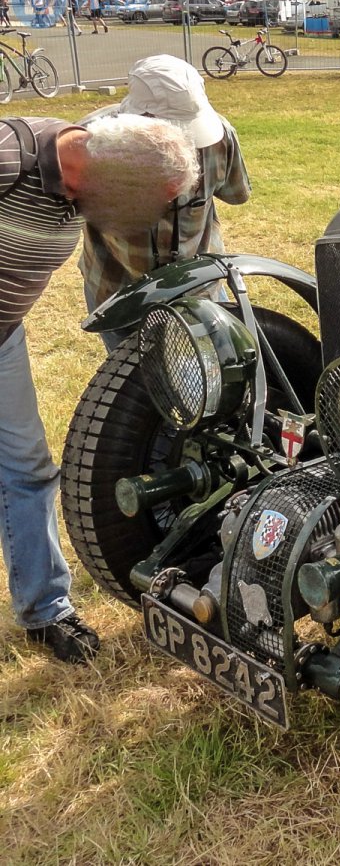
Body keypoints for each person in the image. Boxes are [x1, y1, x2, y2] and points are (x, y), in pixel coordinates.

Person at [0, 114, 197, 663]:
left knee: (27, 471)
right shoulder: (11, 156)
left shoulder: (81, 181)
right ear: (120, 179)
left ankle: (45, 610)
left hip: (2, 341)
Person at [78, 55, 252, 346]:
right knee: (130, 384)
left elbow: (236, 194)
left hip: (198, 288)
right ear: (138, 117)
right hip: (117, 290)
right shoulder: (87, 141)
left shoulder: (219, 139)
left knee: (214, 375)